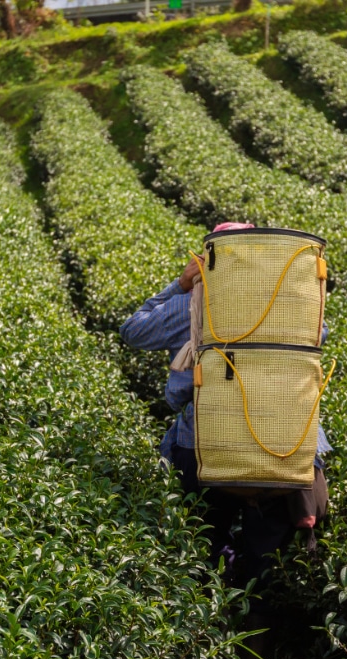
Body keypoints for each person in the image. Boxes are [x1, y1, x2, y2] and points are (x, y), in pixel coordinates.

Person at [120, 222, 330, 587]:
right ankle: (259, 614)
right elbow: (317, 340)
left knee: (200, 539)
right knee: (266, 566)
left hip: (204, 443)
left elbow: (133, 331)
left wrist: (182, 285)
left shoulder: (194, 303)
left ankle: (212, 596)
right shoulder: (294, 308)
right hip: (285, 445)